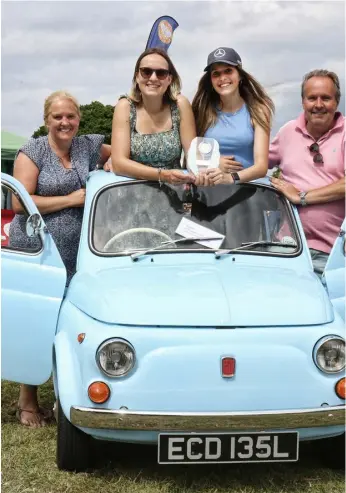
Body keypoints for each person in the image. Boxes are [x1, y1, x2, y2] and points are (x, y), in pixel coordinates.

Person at [8, 90, 111, 427]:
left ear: (78, 118)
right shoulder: (32, 150)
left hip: (80, 251)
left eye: (70, 116)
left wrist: (111, 166)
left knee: (71, 322)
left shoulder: (89, 145)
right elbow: (22, 202)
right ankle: (27, 400)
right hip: (39, 249)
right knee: (39, 319)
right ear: (46, 120)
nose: (64, 122)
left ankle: (70, 394)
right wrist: (70, 199)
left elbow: (123, 155)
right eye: (57, 117)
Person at [269, 69, 345, 277]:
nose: (318, 105)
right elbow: (257, 164)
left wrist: (302, 197)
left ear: (336, 102)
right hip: (287, 249)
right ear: (303, 102)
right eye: (312, 98)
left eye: (326, 98)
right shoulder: (288, 132)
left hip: (335, 255)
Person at [111, 48, 196, 185]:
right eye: (146, 71)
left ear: (169, 79)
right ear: (137, 76)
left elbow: (192, 156)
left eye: (161, 73)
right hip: (131, 193)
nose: (153, 78)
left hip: (175, 193)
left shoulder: (181, 105)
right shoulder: (125, 107)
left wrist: (207, 168)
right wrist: (163, 175)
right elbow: (119, 164)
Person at [191, 47, 274, 186]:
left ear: (239, 74)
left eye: (228, 71)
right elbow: (192, 155)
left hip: (249, 194)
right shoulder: (202, 111)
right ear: (210, 80)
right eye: (216, 74)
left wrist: (230, 178)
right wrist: (214, 162)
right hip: (210, 194)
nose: (223, 78)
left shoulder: (258, 110)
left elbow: (261, 167)